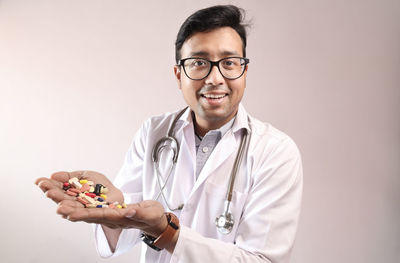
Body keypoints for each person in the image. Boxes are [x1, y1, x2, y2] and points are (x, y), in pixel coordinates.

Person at [36, 5, 303, 263]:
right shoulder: (154, 132)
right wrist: (110, 207)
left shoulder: (276, 152)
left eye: (229, 62)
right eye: (199, 62)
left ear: (244, 70)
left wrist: (167, 233)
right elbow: (124, 227)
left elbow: (262, 260)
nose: (215, 78)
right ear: (178, 75)